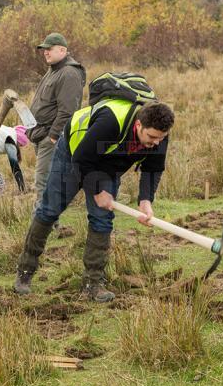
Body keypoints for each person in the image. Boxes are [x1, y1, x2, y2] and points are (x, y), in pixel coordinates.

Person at [14, 99, 174, 302]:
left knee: (102, 219)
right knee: (50, 209)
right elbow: (81, 159)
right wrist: (98, 192)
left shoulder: (159, 135)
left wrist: (145, 201)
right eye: (152, 137)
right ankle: (25, 272)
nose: (156, 142)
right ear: (138, 124)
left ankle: (93, 283)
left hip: (109, 162)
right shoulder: (111, 122)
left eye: (161, 138)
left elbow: (153, 169)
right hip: (74, 152)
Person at [27, 32, 86, 211]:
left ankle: (43, 226)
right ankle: (50, 223)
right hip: (41, 135)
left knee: (43, 182)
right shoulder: (54, 70)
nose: (45, 52)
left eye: (49, 49)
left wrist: (52, 137)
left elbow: (68, 111)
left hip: (51, 138)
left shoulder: (69, 73)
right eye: (44, 49)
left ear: (62, 50)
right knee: (46, 182)